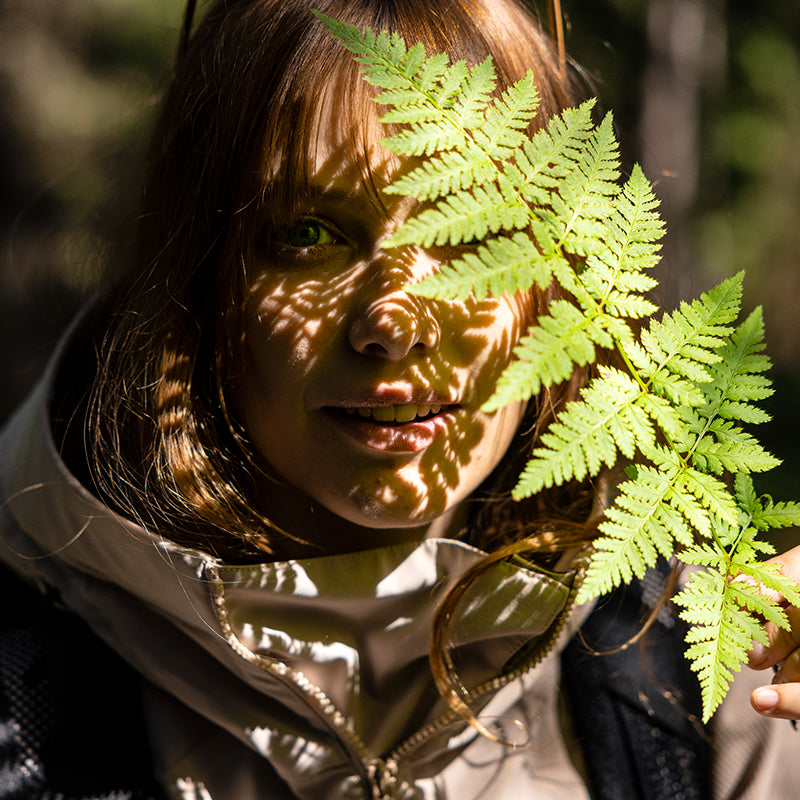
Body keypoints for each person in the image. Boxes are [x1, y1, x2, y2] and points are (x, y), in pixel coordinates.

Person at [0, 1, 798, 798]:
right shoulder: (26, 683)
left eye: (476, 238)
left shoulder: (705, 668)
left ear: (563, 285)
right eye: (310, 233)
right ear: (200, 276)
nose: (394, 321)